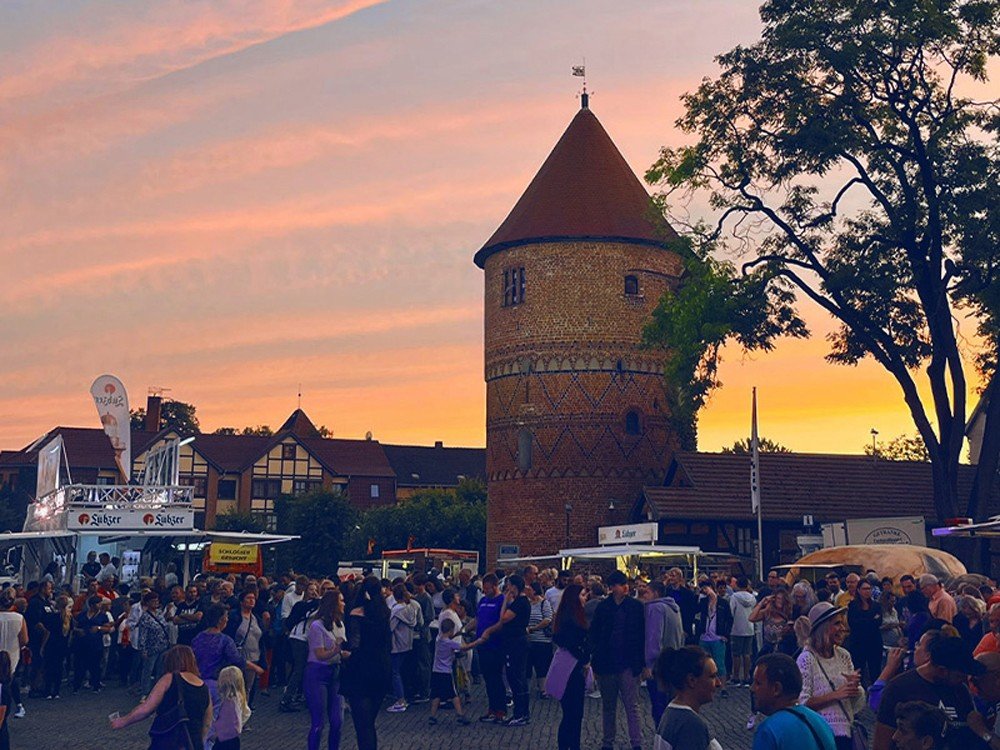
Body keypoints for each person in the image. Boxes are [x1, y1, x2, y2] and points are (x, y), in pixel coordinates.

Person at [874, 635, 986, 750]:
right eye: (959, 676)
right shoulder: (899, 688)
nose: (964, 680)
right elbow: (882, 742)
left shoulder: (961, 691)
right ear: (942, 671)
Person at [111, 644, 212, 749]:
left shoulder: (169, 679)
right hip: (192, 743)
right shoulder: (204, 687)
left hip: (168, 740)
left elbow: (146, 709)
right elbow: (207, 722)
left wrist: (123, 721)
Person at [797, 602, 865, 750]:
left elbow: (855, 703)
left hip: (845, 733)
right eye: (837, 624)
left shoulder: (843, 655)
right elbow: (802, 704)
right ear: (823, 628)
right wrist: (837, 694)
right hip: (820, 735)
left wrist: (855, 689)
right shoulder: (806, 659)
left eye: (842, 623)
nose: (842, 628)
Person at [589, 570, 645, 750]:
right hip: (607, 662)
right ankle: (608, 741)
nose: (625, 588)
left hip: (628, 662)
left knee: (632, 705)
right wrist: (595, 660)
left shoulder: (635, 606)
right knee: (609, 705)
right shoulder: (603, 607)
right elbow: (595, 634)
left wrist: (641, 663)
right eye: (620, 585)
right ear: (613, 587)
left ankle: (636, 742)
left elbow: (641, 635)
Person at [339, 576, 391, 750]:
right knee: (370, 722)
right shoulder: (385, 613)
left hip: (361, 670)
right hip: (381, 669)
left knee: (363, 725)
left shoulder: (356, 614)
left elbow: (355, 643)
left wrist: (346, 653)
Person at [752, 652, 836, 749]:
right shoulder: (821, 722)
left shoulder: (768, 730)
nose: (752, 688)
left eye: (758, 683)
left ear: (776, 689)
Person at [480, 573, 531, 726]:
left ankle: (521, 713)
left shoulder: (520, 603)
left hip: (517, 644)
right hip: (513, 643)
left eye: (508, 586)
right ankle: (520, 712)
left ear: (514, 587)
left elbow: (503, 618)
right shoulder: (520, 602)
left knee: (516, 678)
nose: (507, 589)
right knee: (515, 678)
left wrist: (505, 603)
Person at [653, 646, 722, 750]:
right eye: (712, 676)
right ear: (692, 681)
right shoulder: (691, 726)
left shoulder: (671, 714)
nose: (719, 683)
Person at [548, 583, 589, 750]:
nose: (585, 598)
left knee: (572, 713)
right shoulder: (570, 618)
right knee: (573, 713)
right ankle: (569, 745)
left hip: (571, 666)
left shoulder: (569, 615)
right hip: (571, 668)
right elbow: (569, 641)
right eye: (583, 595)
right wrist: (583, 657)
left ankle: (570, 745)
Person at [305, 590, 346, 750]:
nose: (344, 603)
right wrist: (336, 650)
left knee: (337, 721)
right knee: (318, 722)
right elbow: (320, 654)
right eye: (341, 601)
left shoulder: (340, 624)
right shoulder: (317, 626)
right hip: (318, 672)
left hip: (335, 672)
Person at [643, 580, 685, 724]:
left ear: (655, 593)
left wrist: (649, 664)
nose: (644, 596)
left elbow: (653, 637)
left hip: (659, 665)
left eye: (647, 592)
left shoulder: (656, 608)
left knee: (659, 706)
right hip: (674, 661)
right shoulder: (674, 607)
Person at [427, 618, 478, 725]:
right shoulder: (450, 643)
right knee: (454, 694)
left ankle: (432, 716)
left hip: (436, 670)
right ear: (451, 630)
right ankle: (460, 715)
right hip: (446, 672)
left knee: (436, 694)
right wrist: (478, 641)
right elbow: (465, 647)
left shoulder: (438, 640)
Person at [474, 573, 507, 723]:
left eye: (487, 589)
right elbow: (477, 619)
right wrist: (462, 629)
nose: (484, 591)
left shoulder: (501, 601)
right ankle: (491, 709)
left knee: (496, 678)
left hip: (495, 645)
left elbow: (501, 622)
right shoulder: (483, 601)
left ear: (495, 586)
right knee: (487, 678)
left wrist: (488, 631)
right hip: (482, 645)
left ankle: (500, 710)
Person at [225, 589, 264, 702]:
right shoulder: (234, 616)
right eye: (248, 598)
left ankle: (243, 711)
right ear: (241, 602)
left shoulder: (257, 618)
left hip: (253, 657)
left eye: (253, 598)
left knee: (247, 687)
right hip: (238, 656)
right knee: (235, 687)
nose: (252, 600)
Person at [696, 580, 732, 698]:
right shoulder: (703, 602)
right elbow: (695, 611)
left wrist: (726, 635)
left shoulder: (723, 603)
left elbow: (729, 619)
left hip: (717, 637)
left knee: (720, 663)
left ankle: (723, 687)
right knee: (703, 663)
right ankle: (705, 686)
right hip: (704, 636)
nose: (705, 591)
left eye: (706, 588)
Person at [134, 590, 172, 699]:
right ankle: (145, 692)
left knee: (160, 670)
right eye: (153, 601)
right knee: (148, 670)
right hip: (151, 647)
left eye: (157, 600)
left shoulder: (160, 613)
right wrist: (143, 649)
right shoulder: (145, 617)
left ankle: (158, 690)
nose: (155, 602)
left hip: (163, 645)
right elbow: (143, 634)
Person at [847, 577, 883, 685]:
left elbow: (879, 621)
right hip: (858, 643)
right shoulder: (853, 606)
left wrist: (866, 622)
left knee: (875, 671)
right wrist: (871, 620)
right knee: (859, 670)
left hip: (874, 642)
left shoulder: (876, 605)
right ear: (858, 590)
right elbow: (854, 624)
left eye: (869, 589)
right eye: (864, 589)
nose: (867, 591)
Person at [74, 593, 113, 693]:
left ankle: (96, 685)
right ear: (92, 605)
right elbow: (75, 626)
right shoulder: (82, 615)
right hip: (82, 644)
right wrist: (78, 631)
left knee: (95, 666)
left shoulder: (103, 616)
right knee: (80, 666)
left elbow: (108, 628)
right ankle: (77, 685)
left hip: (96, 644)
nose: (100, 606)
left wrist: (99, 628)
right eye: (98, 604)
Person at [388, 583, 418, 713]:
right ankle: (404, 696)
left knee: (395, 672)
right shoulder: (411, 609)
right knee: (402, 671)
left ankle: (400, 700)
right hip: (407, 643)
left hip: (396, 644)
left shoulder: (395, 611)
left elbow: (390, 628)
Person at [526, 580, 554, 698]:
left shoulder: (544, 603)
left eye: (529, 589)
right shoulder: (527, 604)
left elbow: (548, 619)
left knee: (542, 665)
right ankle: (526, 689)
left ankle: (543, 689)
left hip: (542, 640)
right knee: (527, 665)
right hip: (529, 640)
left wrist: (534, 628)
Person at [212, 665, 251, 750]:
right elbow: (246, 713)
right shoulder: (239, 697)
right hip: (233, 738)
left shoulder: (228, 701)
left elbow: (224, 722)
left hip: (223, 738)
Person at [0, 592, 26, 716]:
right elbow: (24, 639)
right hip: (13, 652)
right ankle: (14, 706)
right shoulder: (19, 618)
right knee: (11, 680)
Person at [751, 587, 795, 656]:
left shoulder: (789, 613)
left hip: (782, 650)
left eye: (782, 599)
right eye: (778, 598)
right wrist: (762, 602)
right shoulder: (767, 613)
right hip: (767, 649)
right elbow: (751, 618)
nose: (780, 601)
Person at [730, 576, 757, 688]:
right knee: (747, 654)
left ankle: (736, 677)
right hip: (749, 628)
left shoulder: (734, 597)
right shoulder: (753, 597)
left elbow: (732, 611)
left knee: (736, 654)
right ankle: (746, 677)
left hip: (736, 628)